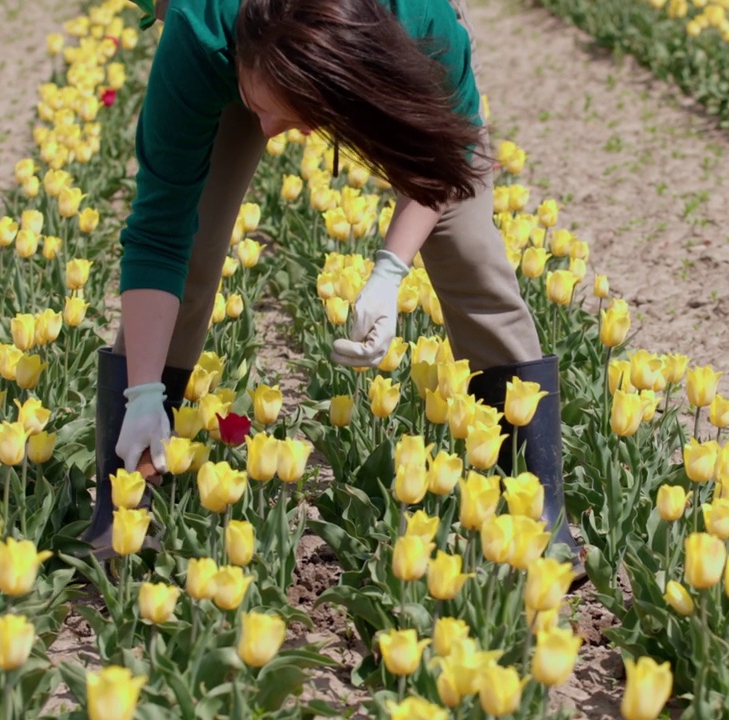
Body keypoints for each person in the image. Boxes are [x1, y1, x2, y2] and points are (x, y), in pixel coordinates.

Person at [81, 0, 585, 581]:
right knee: (192, 246)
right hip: (239, 50)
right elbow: (160, 229)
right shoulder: (202, 26)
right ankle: (124, 502)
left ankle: (537, 509)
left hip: (369, 47)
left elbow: (445, 166)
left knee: (471, 254)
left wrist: (391, 271)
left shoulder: (423, 23)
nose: (275, 135)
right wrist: (142, 391)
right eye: (275, 111)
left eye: (301, 118)